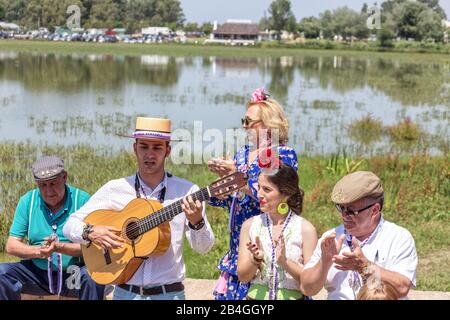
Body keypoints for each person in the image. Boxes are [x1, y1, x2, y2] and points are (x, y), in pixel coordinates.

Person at [63, 117, 215, 300]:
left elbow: (203, 248)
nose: (150, 154)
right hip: (125, 293)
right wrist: (90, 231)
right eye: (144, 147)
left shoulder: (187, 191)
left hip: (170, 294)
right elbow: (69, 225)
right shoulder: (115, 189)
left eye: (157, 148)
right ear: (135, 149)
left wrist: (197, 222)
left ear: (168, 150)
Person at [207, 88, 298, 300]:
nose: (244, 126)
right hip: (238, 244)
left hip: (266, 243)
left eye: (250, 122)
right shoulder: (242, 154)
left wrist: (238, 177)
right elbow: (235, 198)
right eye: (243, 121)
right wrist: (221, 187)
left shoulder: (282, 154)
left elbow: (276, 196)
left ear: (269, 125)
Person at [301, 171, 418, 300]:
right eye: (341, 208)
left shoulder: (398, 237)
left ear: (374, 210)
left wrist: (365, 267)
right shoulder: (331, 238)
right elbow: (307, 288)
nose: (344, 216)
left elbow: (402, 288)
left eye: (351, 211)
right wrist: (324, 262)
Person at [0, 156, 104, 300]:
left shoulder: (82, 200)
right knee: (2, 272)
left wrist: (59, 248)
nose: (49, 191)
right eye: (43, 185)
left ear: (65, 177)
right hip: (37, 273)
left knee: (92, 276)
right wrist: (37, 251)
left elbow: (94, 247)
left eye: (53, 183)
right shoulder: (27, 201)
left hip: (74, 273)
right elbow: (11, 246)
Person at [236, 163, 317, 300]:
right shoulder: (250, 225)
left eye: (267, 189)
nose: (259, 194)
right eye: (259, 187)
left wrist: (285, 262)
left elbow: (311, 284)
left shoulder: (305, 229)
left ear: (285, 194)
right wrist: (255, 259)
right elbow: (243, 277)